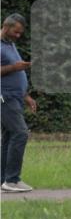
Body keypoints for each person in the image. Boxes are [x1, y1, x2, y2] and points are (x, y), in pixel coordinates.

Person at [1, 13, 37, 193]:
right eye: (16, 32)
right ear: (6, 27)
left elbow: (16, 75)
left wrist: (26, 96)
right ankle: (12, 180)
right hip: (4, 97)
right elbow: (11, 70)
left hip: (15, 97)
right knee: (20, 133)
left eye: (20, 33)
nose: (18, 36)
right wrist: (15, 67)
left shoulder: (10, 45)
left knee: (9, 137)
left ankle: (3, 180)